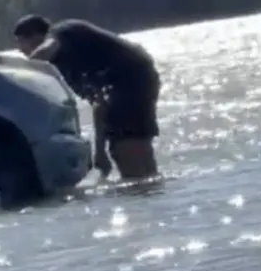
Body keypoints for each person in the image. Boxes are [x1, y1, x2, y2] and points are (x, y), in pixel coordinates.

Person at [12, 14, 161, 182]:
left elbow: (46, 49)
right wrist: (100, 152)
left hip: (130, 74)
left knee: (125, 144)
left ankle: (145, 190)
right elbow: (99, 104)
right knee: (124, 148)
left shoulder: (62, 31)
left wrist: (17, 75)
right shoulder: (67, 71)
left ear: (35, 37)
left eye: (20, 42)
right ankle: (150, 189)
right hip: (129, 80)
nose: (19, 50)